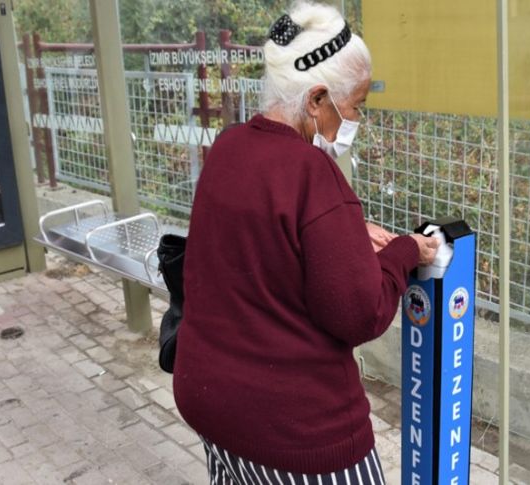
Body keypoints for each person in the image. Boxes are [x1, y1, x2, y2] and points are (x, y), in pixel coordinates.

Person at [172, 2, 439, 484]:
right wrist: (404, 252)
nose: (356, 118)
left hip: (208, 399)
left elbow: (256, 230)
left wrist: (339, 231)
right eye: (355, 105)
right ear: (317, 99)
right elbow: (359, 314)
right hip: (294, 431)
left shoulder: (229, 146)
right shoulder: (313, 174)